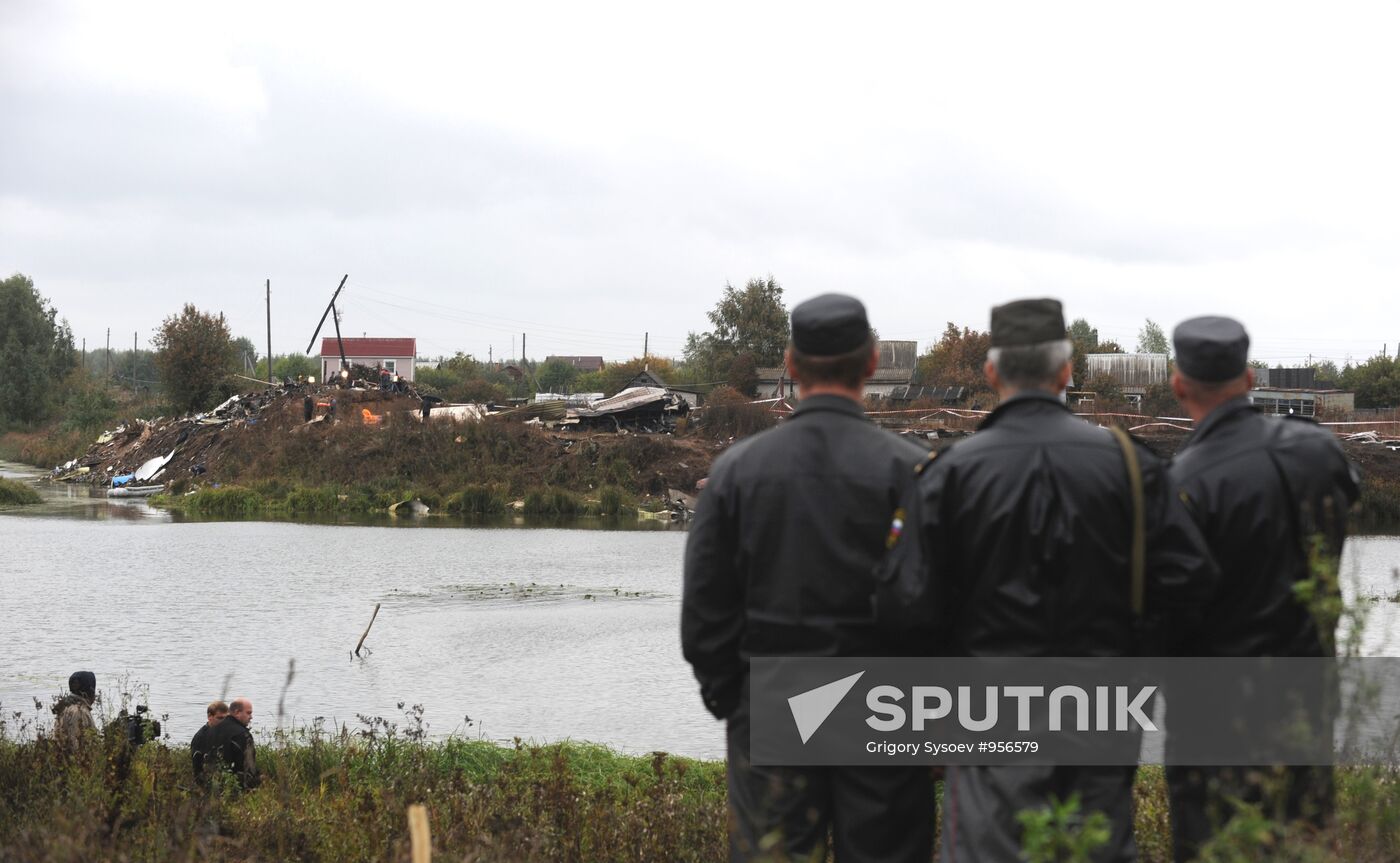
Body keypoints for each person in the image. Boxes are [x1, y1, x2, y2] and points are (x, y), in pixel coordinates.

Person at [890, 298, 1217, 862]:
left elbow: (905, 606)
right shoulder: (1131, 466)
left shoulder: (949, 474)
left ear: (991, 372)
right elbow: (1193, 586)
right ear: (1067, 371)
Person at [682, 293, 935, 862]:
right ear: (872, 362)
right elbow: (943, 608)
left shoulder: (736, 473)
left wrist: (740, 704)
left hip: (772, 700)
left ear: (791, 366)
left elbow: (703, 615)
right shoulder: (915, 471)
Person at [1165, 317, 1360, 862]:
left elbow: (1173, 607)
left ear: (1180, 385)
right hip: (1307, 693)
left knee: (1216, 844)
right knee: (1303, 840)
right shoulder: (1319, 452)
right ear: (1250, 377)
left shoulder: (1183, 482)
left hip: (1218, 713)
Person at [209, 697, 260, 789]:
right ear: (237, 712)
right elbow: (249, 768)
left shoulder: (213, 729)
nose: (251, 717)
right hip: (235, 786)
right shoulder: (242, 734)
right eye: (248, 713)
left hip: (212, 784)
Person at [51, 671, 97, 751]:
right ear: (90, 691)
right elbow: (75, 747)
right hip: (75, 762)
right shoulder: (80, 712)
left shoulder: (65, 707)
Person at [191, 700, 229, 785]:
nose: (224, 722)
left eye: (226, 718)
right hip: (208, 782)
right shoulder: (200, 738)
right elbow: (197, 768)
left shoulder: (226, 733)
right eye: (220, 718)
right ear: (209, 716)